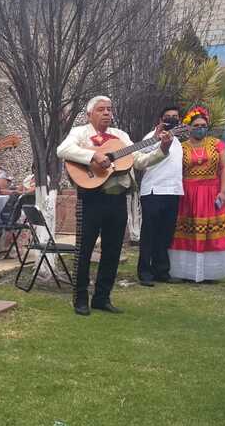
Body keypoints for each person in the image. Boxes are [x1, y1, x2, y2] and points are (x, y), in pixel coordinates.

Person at [56, 96, 172, 315]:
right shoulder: (80, 133)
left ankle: (102, 297)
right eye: (101, 109)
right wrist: (94, 155)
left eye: (109, 109)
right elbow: (62, 150)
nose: (107, 113)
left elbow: (139, 161)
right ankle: (80, 298)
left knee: (112, 250)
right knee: (84, 250)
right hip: (91, 197)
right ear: (89, 114)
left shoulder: (121, 136)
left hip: (117, 199)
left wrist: (162, 150)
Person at [167, 107, 225, 282]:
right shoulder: (181, 147)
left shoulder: (217, 144)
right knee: (188, 232)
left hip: (212, 192)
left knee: (211, 232)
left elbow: (224, 168)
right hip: (188, 194)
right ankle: (185, 272)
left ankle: (210, 273)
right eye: (196, 125)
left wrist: (223, 191)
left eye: (203, 125)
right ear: (189, 127)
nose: (200, 128)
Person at [136, 105, 184, 286]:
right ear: (160, 120)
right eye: (168, 116)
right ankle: (145, 273)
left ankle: (161, 271)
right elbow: (139, 156)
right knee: (149, 234)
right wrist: (156, 137)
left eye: (175, 117)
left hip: (173, 192)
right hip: (153, 192)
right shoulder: (151, 137)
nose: (172, 119)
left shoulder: (178, 142)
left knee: (165, 234)